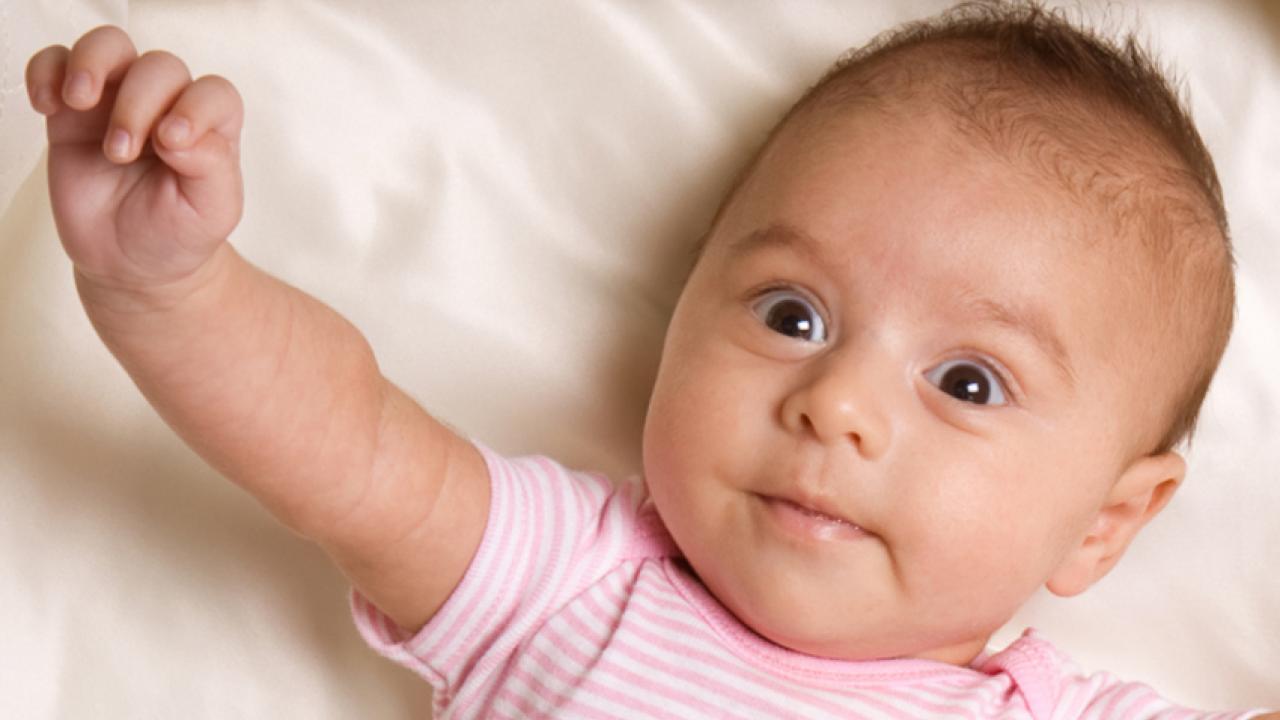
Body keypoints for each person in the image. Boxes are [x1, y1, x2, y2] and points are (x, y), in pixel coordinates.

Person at [23, 1, 1275, 717]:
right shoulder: (575, 583)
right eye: (791, 313)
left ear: (1105, 522)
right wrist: (171, 284)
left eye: (967, 382)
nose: (834, 402)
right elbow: (339, 440)